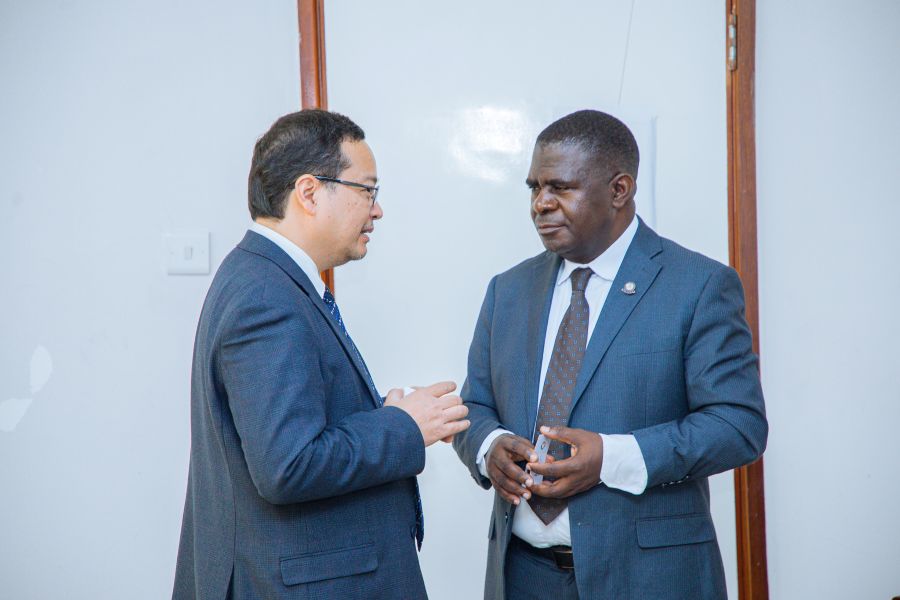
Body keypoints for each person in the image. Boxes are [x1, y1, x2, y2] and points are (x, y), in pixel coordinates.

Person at [453, 109, 767, 600]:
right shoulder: (507, 290)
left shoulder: (699, 285)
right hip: (523, 577)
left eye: (560, 187)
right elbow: (473, 406)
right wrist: (489, 446)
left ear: (619, 190)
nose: (541, 203)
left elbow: (738, 426)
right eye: (535, 188)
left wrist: (612, 458)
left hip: (649, 578)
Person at [173, 109, 469, 599]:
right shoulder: (266, 296)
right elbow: (288, 465)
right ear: (309, 193)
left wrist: (382, 414)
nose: (377, 210)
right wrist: (403, 426)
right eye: (367, 191)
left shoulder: (263, 276)